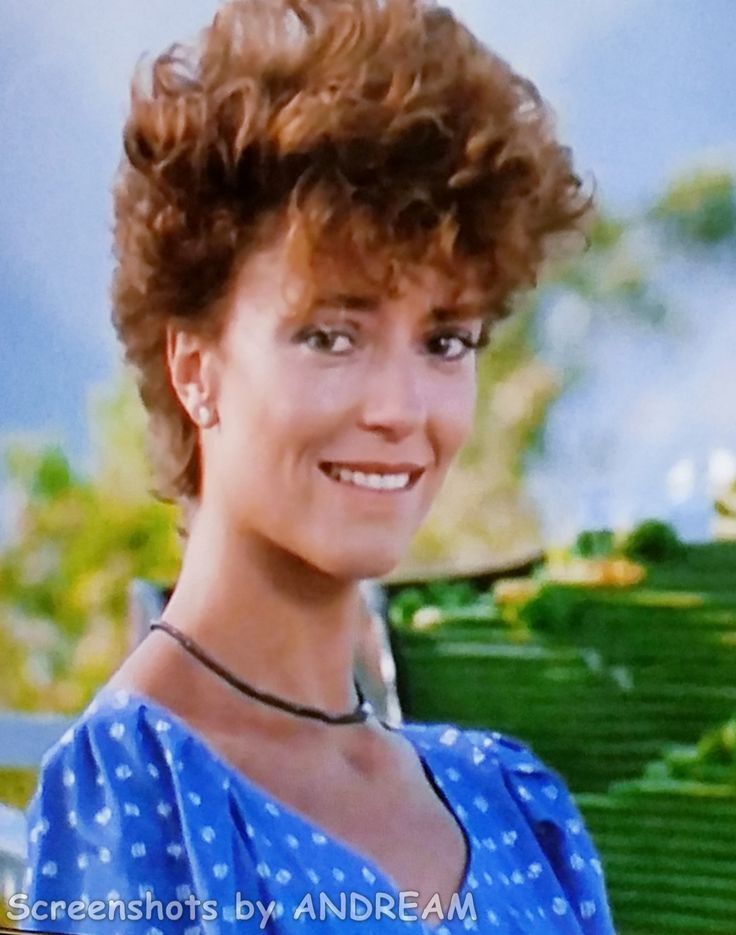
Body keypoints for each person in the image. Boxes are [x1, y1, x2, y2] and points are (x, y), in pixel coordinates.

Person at [20, 1, 617, 932]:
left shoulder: (517, 805)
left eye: (445, 340)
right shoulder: (140, 793)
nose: (399, 409)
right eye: (331, 335)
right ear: (196, 368)